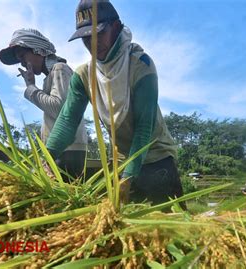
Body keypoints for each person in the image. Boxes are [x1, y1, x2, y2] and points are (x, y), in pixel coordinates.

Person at [46, 0, 185, 208]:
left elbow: (143, 126)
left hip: (156, 159)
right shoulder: (84, 75)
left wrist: (128, 178)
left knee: (169, 230)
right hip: (122, 162)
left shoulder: (140, 65)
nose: (92, 43)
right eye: (85, 38)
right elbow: (67, 120)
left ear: (117, 27)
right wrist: (46, 159)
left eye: (98, 34)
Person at [0, 29, 88, 180]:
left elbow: (60, 109)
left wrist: (31, 88)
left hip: (67, 150)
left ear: (38, 50)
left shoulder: (60, 69)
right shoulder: (50, 77)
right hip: (61, 150)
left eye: (22, 56)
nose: (22, 63)